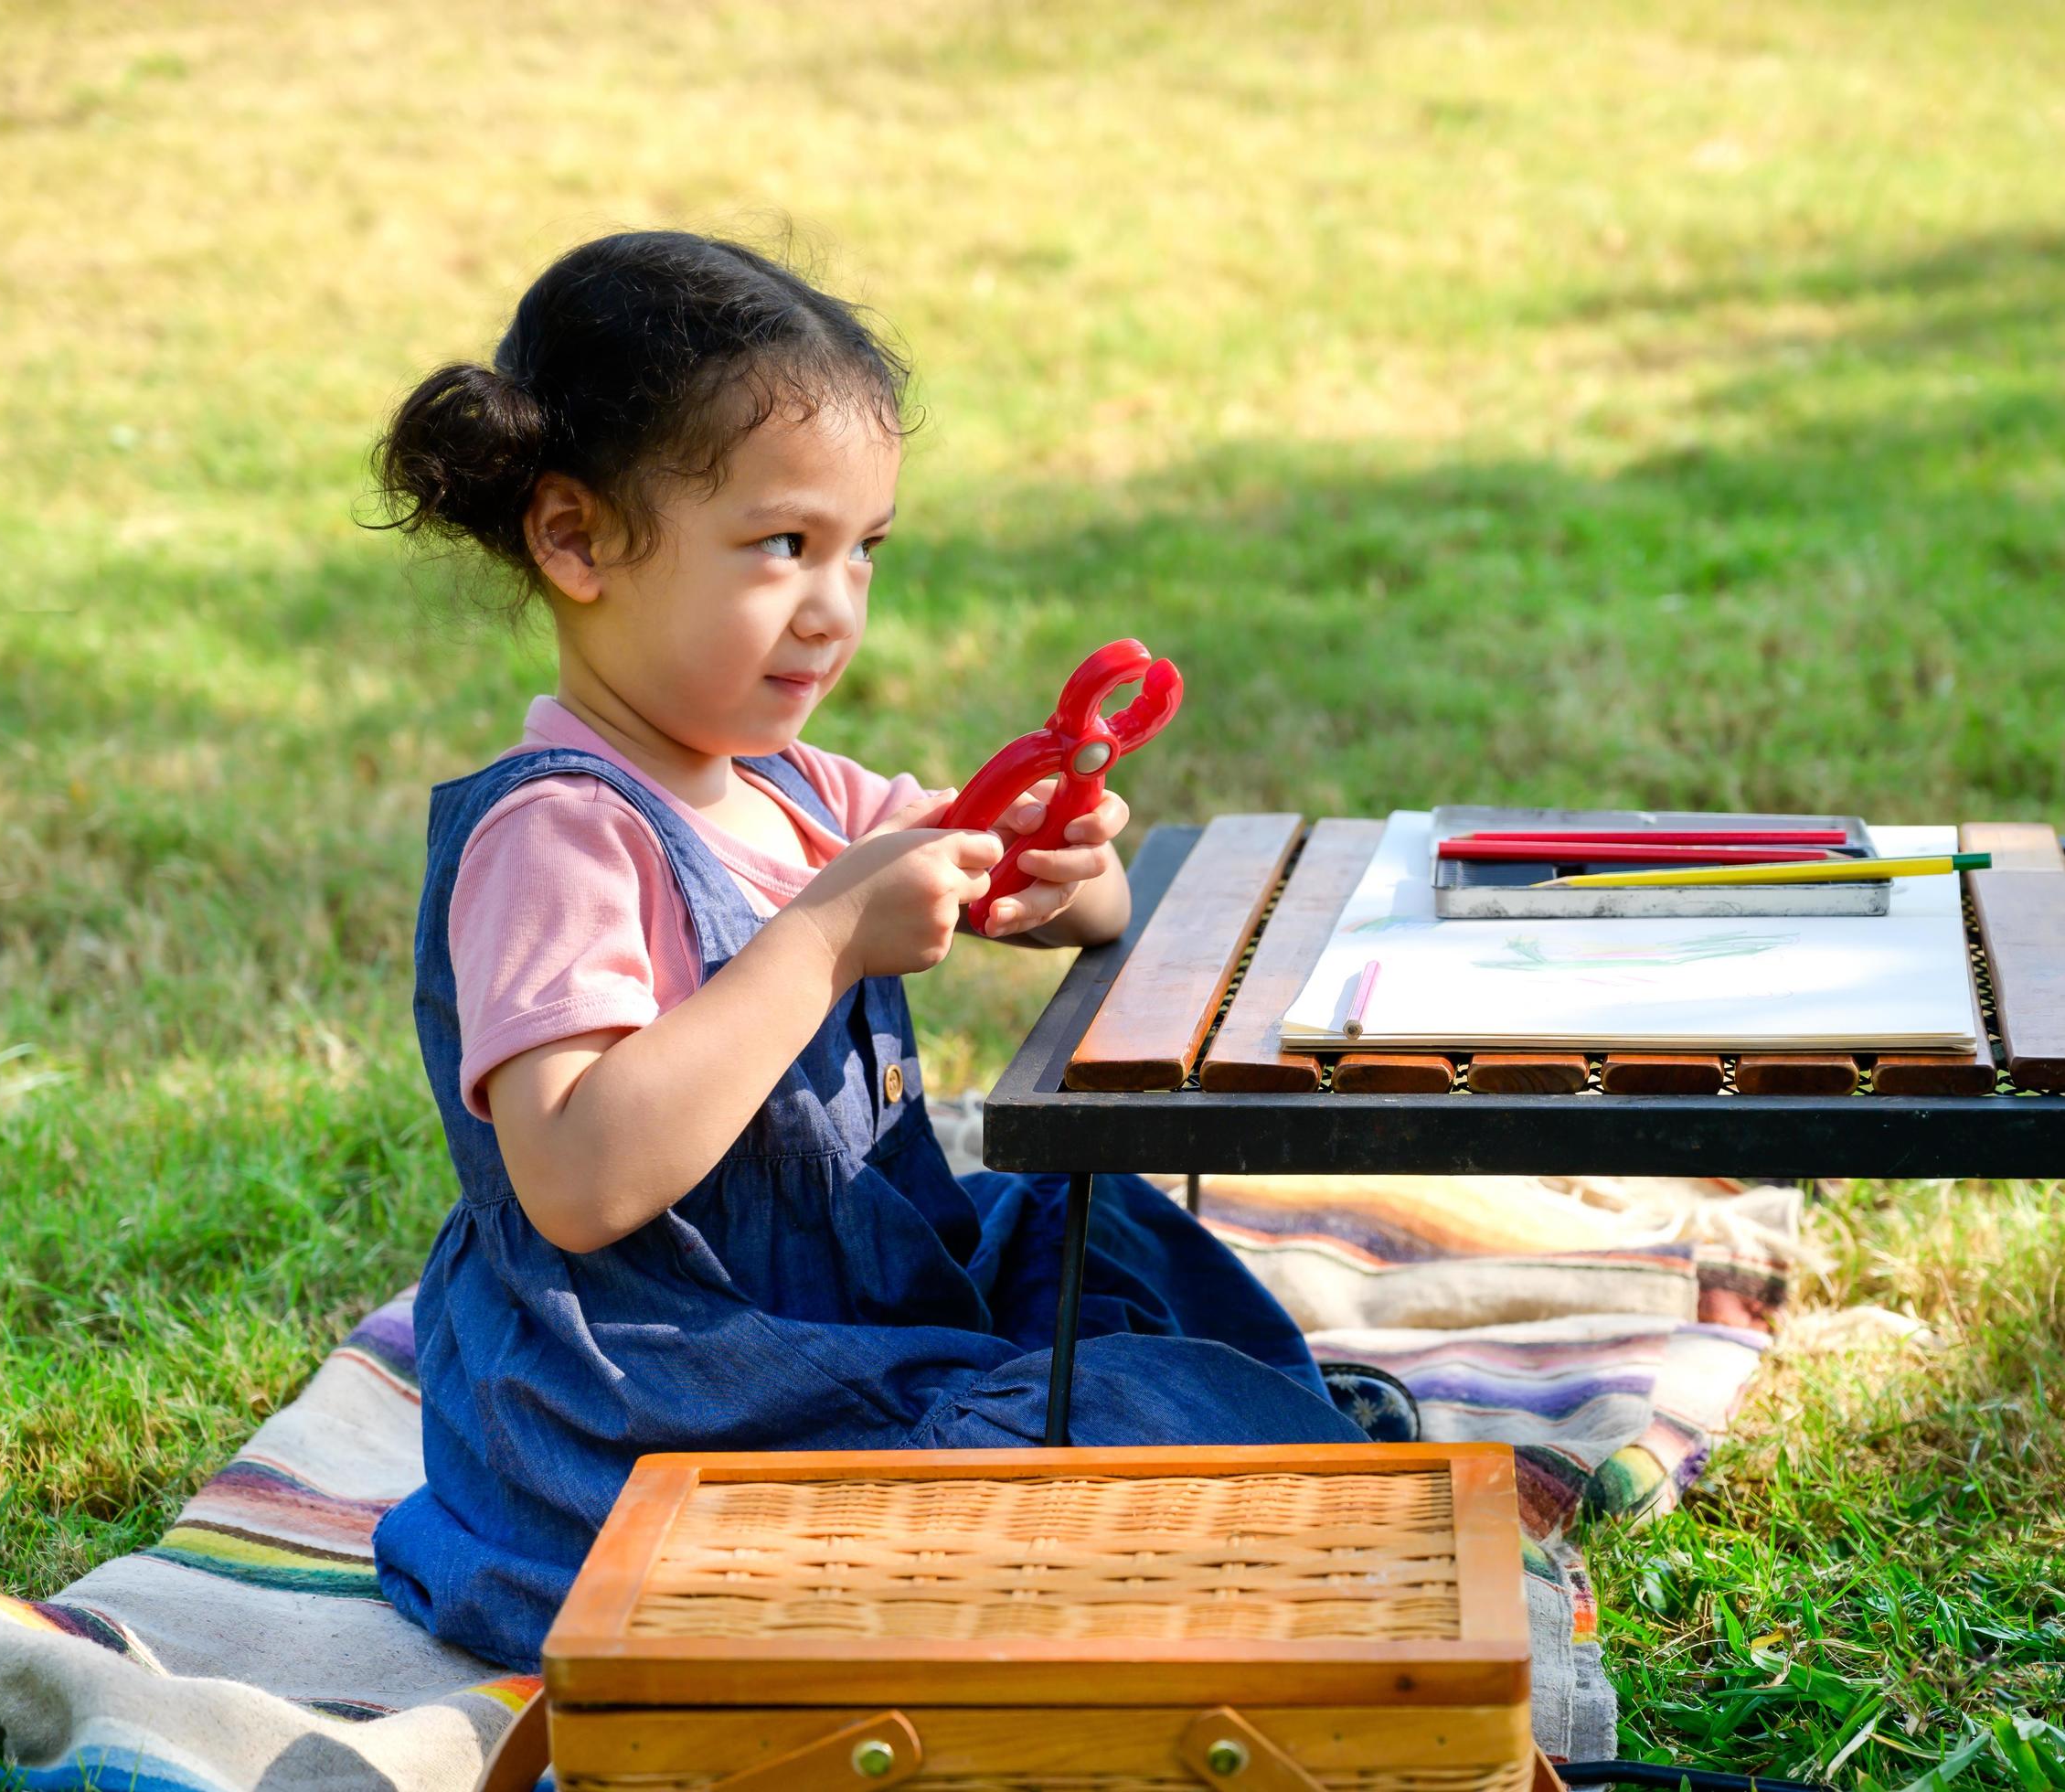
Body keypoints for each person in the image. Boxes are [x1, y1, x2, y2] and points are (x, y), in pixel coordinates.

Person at [361, 230, 1373, 1673]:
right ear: (575, 540)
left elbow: (1035, 898)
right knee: (1086, 1435)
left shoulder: (794, 785)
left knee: (1105, 1236)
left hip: (863, 1310)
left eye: (862, 551)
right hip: (663, 1397)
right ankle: (1185, 1478)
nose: (834, 607)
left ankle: (1200, 1458)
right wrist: (824, 939)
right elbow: (579, 1182)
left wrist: (1058, 870)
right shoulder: (559, 837)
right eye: (782, 546)